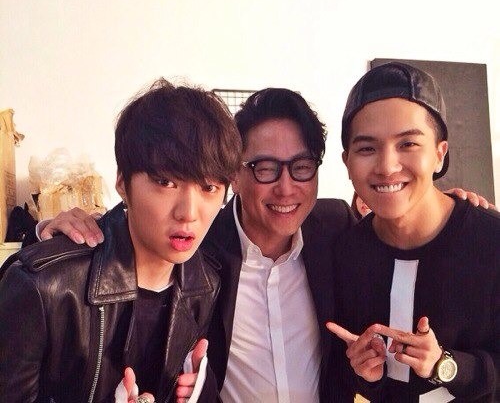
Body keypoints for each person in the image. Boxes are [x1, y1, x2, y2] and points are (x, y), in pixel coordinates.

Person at [34, 88, 493, 402]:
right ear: (234, 174)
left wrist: (454, 205)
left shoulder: (334, 229)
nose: (286, 188)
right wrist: (67, 224)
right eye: (265, 169)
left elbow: (405, 214)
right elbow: (145, 226)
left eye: (301, 167)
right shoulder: (200, 248)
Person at [0, 79, 242, 402]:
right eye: (166, 182)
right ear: (122, 183)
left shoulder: (205, 285)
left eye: (209, 188)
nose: (188, 213)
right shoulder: (44, 288)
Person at [327, 62, 500, 402]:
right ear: (347, 162)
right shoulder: (346, 253)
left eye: (407, 144)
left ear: (439, 154)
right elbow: (356, 376)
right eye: (367, 148)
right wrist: (365, 373)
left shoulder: (491, 243)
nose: (387, 166)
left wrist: (446, 365)